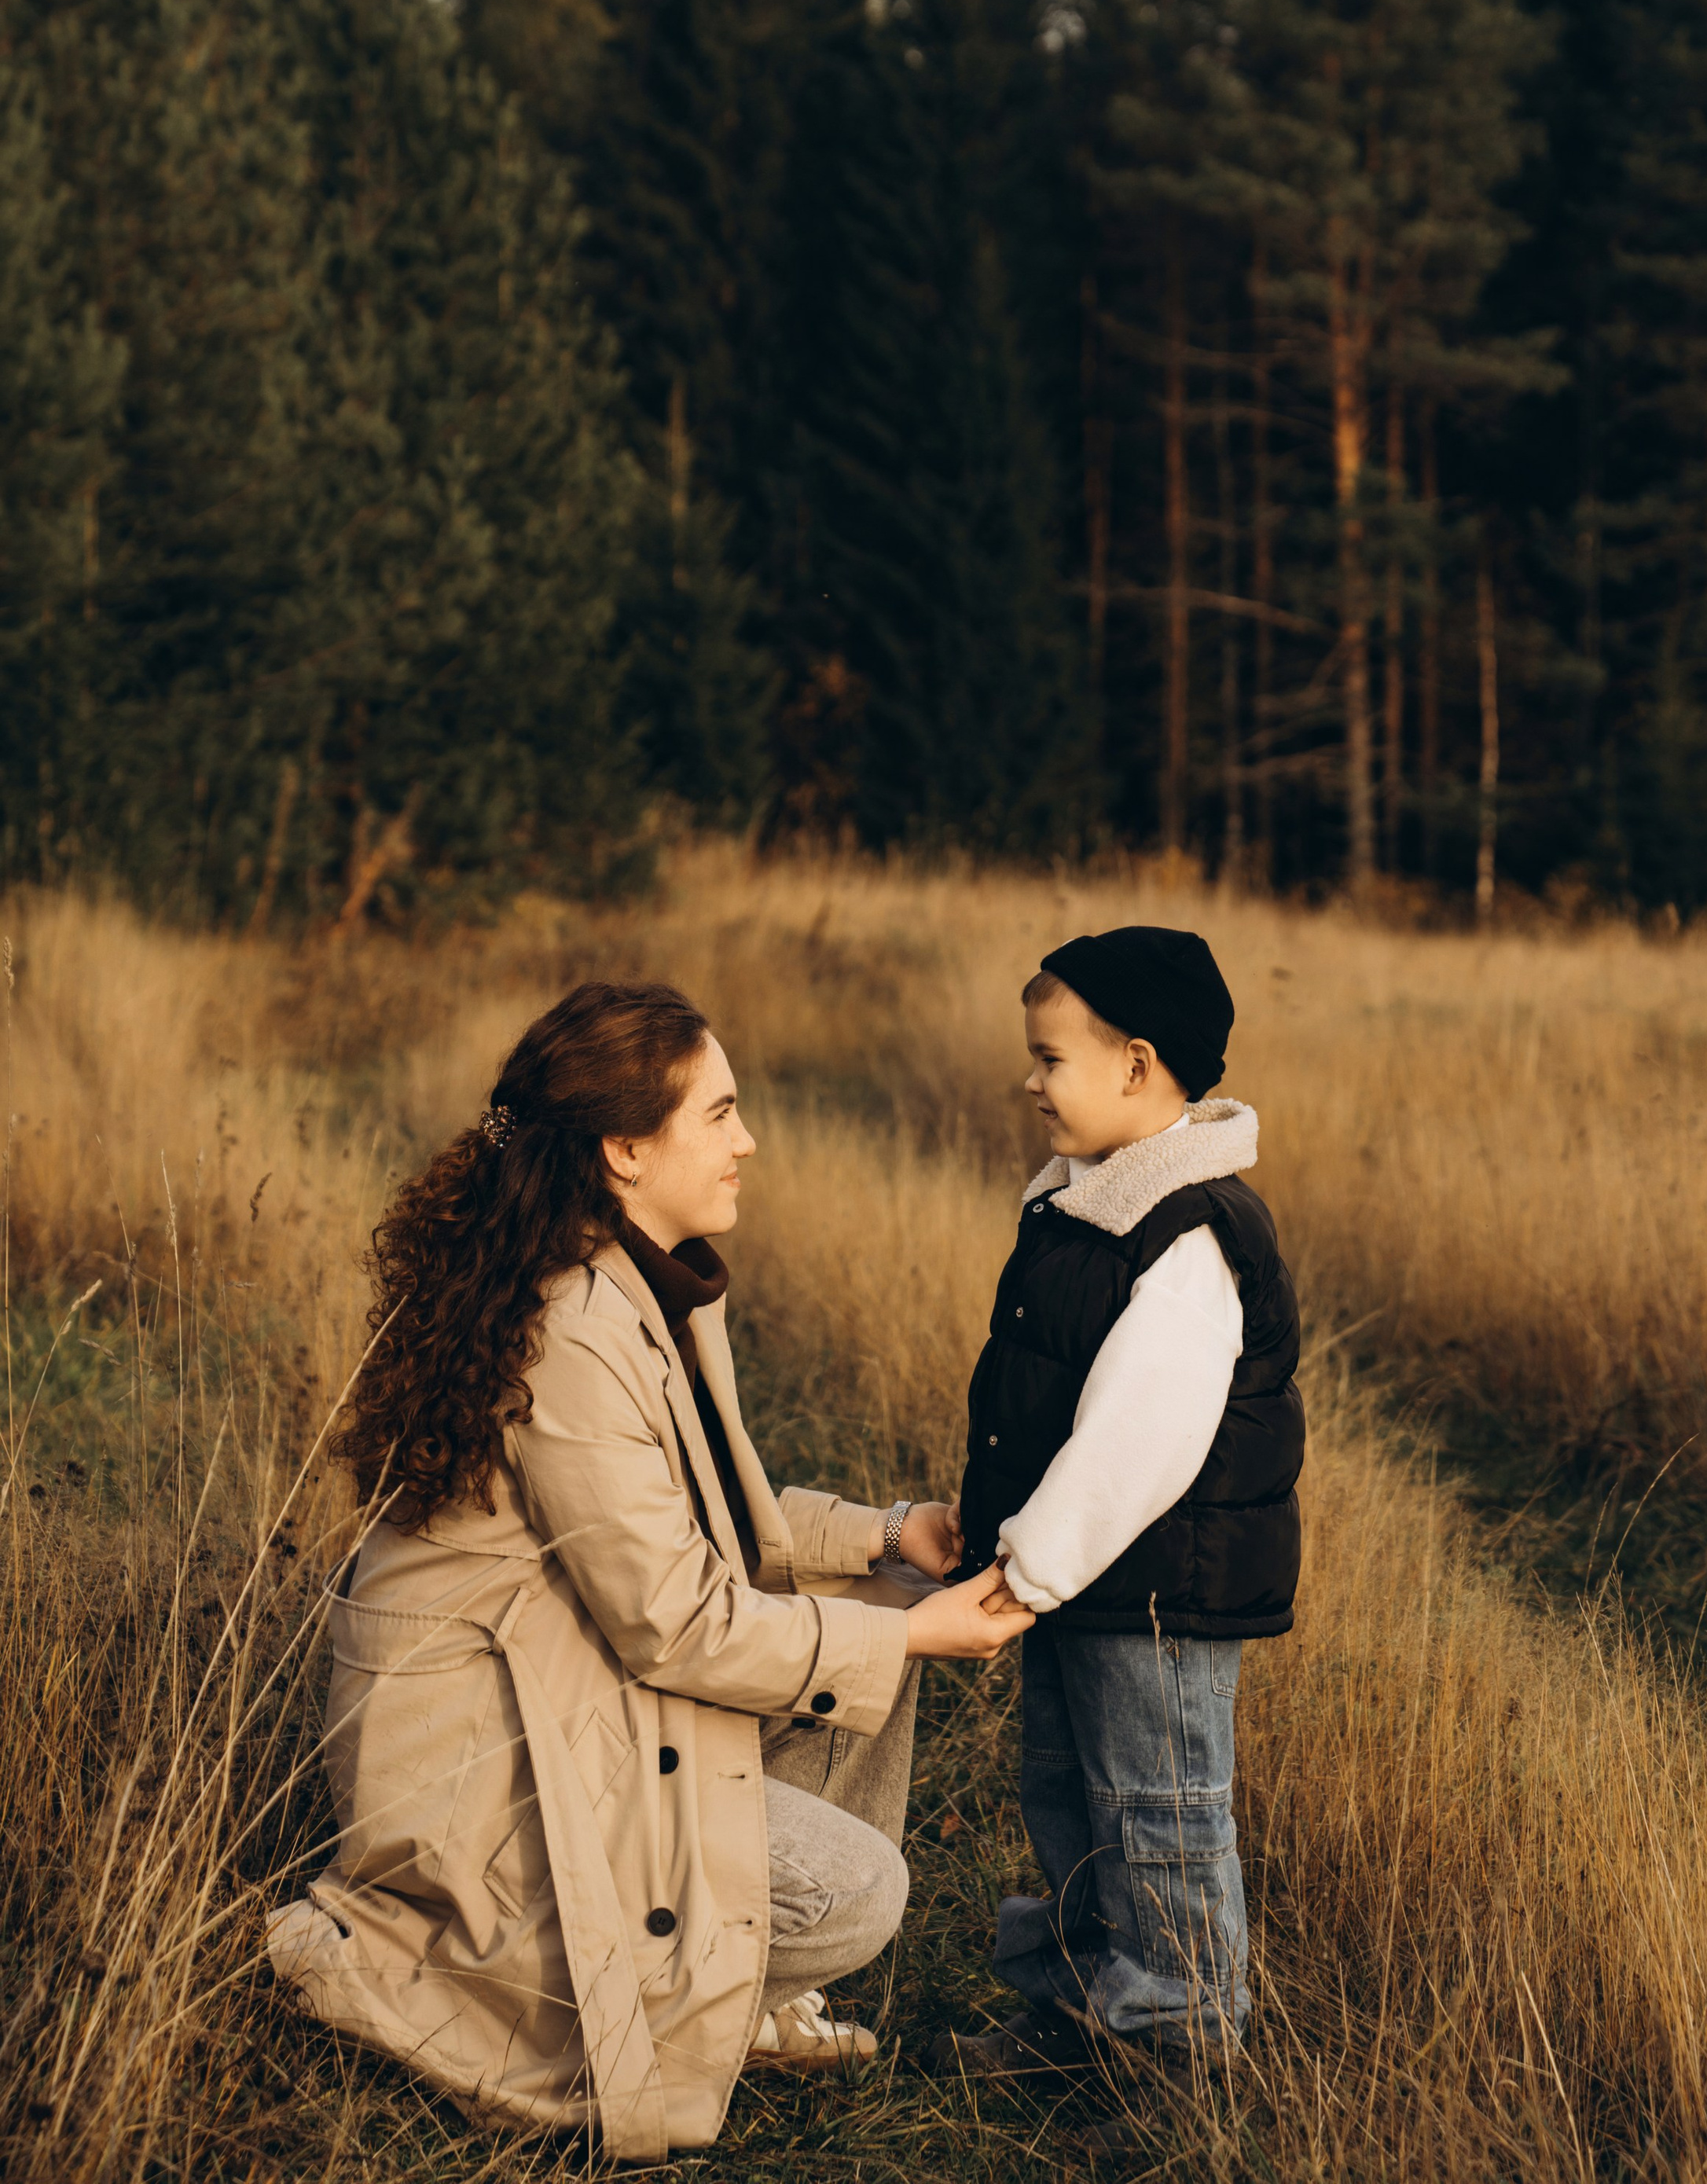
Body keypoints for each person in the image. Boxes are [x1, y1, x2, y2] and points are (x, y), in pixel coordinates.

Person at [266, 978, 1030, 2160]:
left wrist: (888, 1537)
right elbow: (675, 1622)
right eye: (720, 1113)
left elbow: (697, 1524)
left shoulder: (635, 1279)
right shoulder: (570, 1323)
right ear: (625, 1149)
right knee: (860, 1892)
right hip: (491, 1791)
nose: (748, 1141)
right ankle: (579, 1987)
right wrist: (919, 1634)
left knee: (889, 1604)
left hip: (580, 1703)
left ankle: (744, 1996)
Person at [932, 924, 1302, 2100]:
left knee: (1162, 1820)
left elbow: (1139, 1440)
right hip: (1085, 1583)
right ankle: (1083, 2018)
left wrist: (1027, 1568)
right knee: (1075, 1799)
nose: (1030, 1081)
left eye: (1050, 1059)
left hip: (1155, 1595)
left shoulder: (1188, 1234)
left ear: (1138, 1066)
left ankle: (1179, 2058)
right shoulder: (1090, 1207)